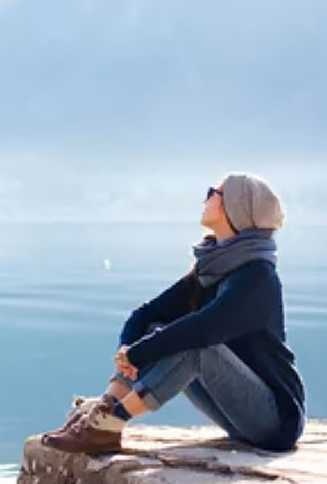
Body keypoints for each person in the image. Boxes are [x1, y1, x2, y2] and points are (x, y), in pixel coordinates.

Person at [40, 171, 305, 455]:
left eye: (213, 193)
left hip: (276, 421)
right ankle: (103, 410)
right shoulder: (212, 269)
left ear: (235, 207)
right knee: (155, 329)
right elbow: (145, 315)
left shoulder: (257, 277)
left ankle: (112, 422)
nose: (205, 199)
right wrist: (128, 351)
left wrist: (139, 354)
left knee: (196, 347)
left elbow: (204, 329)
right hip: (238, 415)